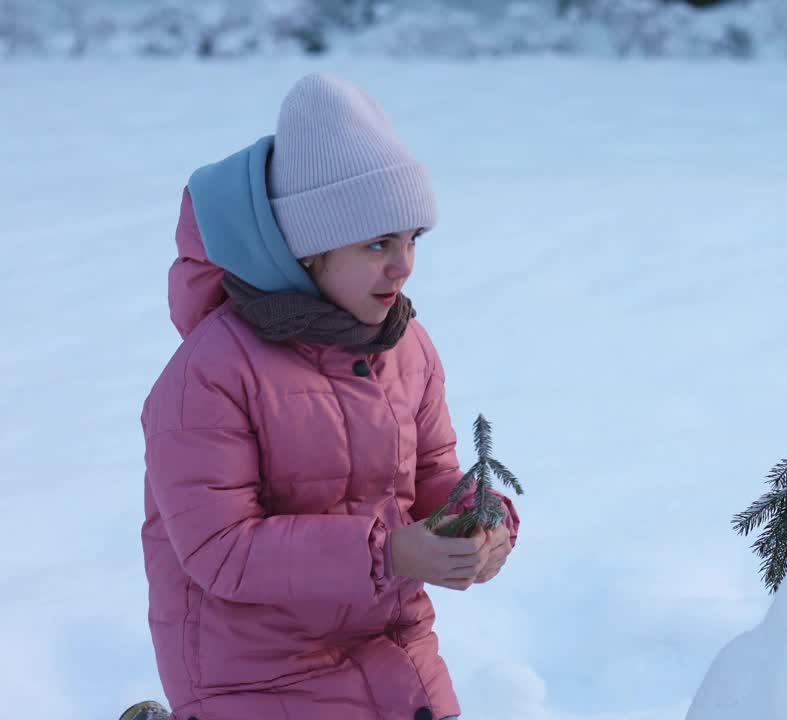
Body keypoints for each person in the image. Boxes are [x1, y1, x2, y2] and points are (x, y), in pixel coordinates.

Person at [124, 73, 518, 720]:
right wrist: (389, 552)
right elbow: (221, 547)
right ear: (306, 252)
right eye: (377, 244)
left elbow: (431, 475)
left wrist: (482, 519)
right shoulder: (210, 373)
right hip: (254, 676)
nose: (404, 266)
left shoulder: (406, 346)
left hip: (396, 655)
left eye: (411, 238)